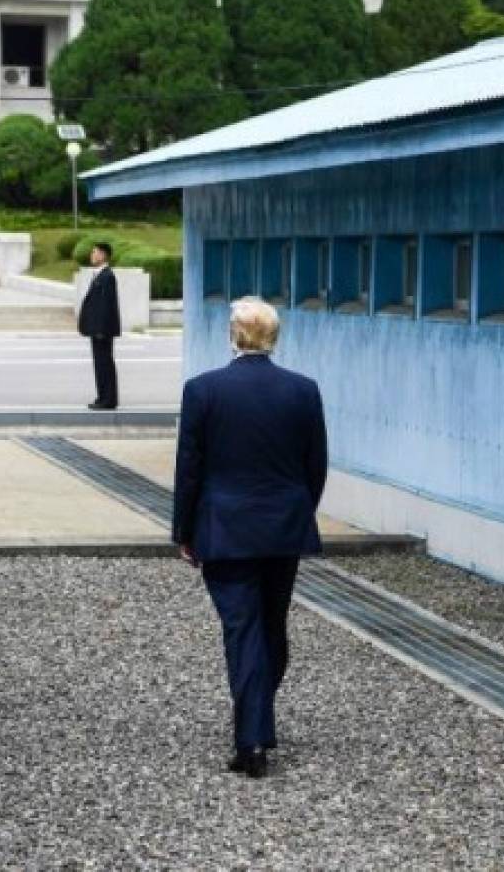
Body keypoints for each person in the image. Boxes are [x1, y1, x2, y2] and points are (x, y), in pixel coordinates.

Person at [172, 297, 328, 780]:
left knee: (243, 628)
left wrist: (183, 529)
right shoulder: (303, 391)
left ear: (233, 335)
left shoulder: (203, 390)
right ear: (273, 337)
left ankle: (252, 739)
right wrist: (298, 510)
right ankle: (256, 718)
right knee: (271, 625)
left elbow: (190, 467)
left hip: (225, 526)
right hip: (283, 526)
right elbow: (315, 465)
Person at [77, 242, 121, 410]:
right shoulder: (100, 275)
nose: (92, 255)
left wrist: (101, 328)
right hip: (97, 329)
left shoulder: (108, 276)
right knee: (100, 363)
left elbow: (107, 305)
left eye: (95, 252)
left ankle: (108, 399)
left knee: (104, 363)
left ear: (103, 255)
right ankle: (102, 397)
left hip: (102, 330)